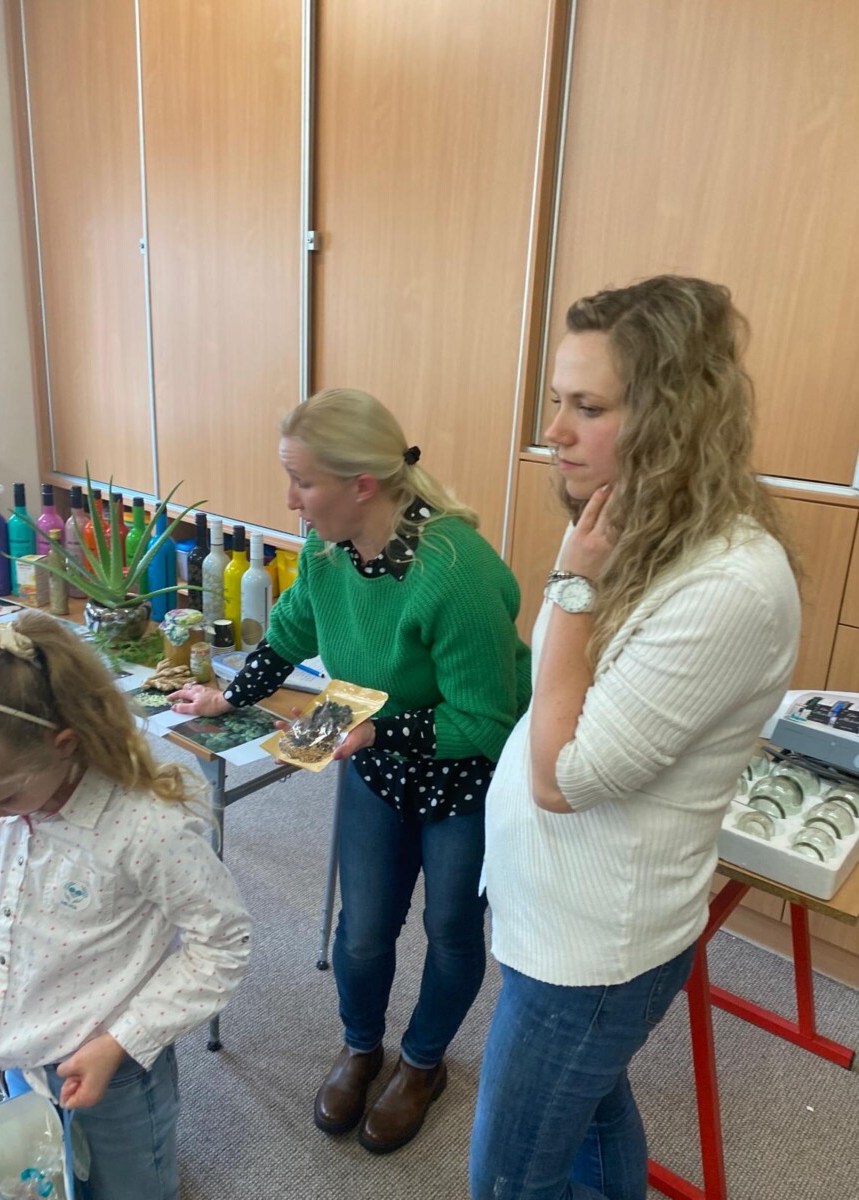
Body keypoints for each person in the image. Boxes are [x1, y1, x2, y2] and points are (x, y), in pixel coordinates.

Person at [469, 275, 801, 1199]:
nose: (555, 432)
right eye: (557, 402)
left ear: (671, 419)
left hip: (593, 949)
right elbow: (558, 695)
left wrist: (572, 586)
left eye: (589, 408)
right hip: (556, 912)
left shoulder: (727, 584)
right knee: (589, 1118)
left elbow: (561, 778)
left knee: (507, 1179)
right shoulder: (635, 531)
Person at [170, 387, 531, 1153]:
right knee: (363, 931)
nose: (289, 500)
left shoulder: (456, 572)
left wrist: (375, 732)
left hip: (465, 771)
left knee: (451, 929)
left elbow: (486, 722)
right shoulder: (329, 554)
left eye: (302, 481)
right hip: (380, 756)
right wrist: (227, 696)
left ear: (362, 484)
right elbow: (289, 634)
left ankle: (423, 1064)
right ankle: (362, 1046)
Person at [0, 612, 252, 1200]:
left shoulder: (146, 827)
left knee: (127, 1187)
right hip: (17, 1053)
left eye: (4, 798)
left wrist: (118, 1041)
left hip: (111, 1071)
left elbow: (224, 942)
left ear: (64, 745)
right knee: (49, 1178)